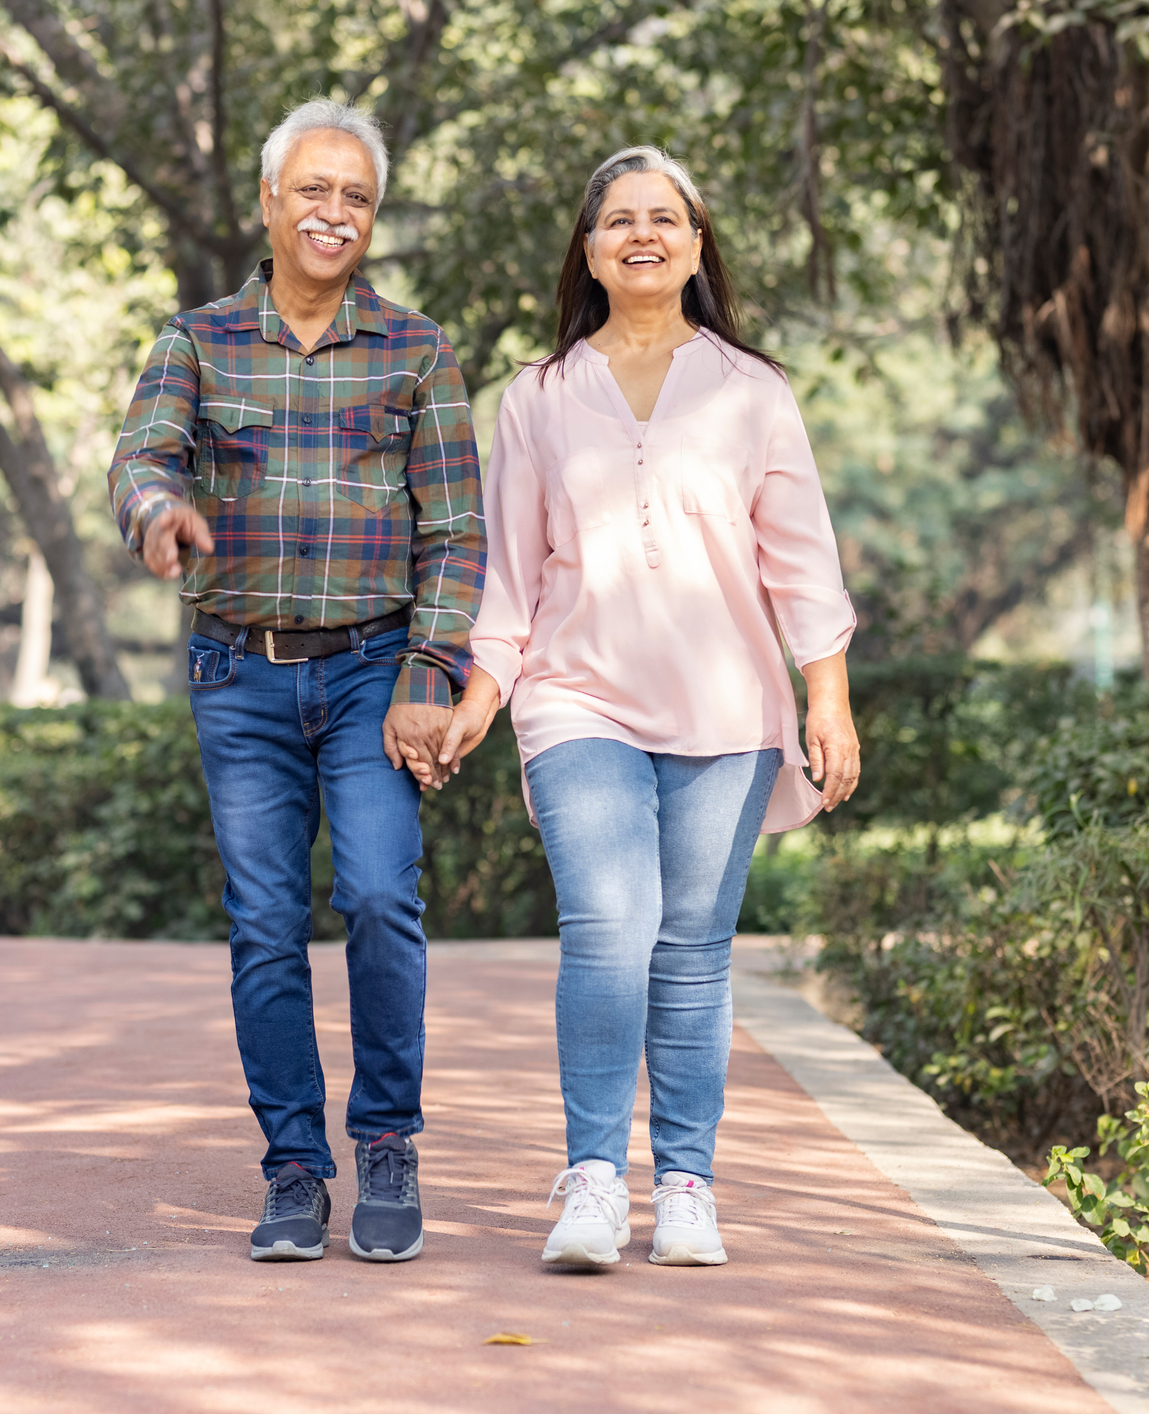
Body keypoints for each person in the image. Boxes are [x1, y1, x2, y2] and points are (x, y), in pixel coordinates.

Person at [425, 146, 860, 1268]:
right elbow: (509, 574)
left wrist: (827, 696)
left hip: (725, 708)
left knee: (691, 950)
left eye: (663, 218)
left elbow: (799, 561)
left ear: (696, 244)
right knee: (609, 932)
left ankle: (685, 1183)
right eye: (617, 219)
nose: (641, 234)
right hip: (578, 699)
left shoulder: (753, 390)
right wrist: (479, 695)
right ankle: (589, 1180)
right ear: (588, 251)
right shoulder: (534, 398)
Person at [107, 100, 485, 1264]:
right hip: (239, 674)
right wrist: (158, 513)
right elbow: (139, 457)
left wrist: (430, 669)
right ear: (268, 203)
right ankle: (291, 1167)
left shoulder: (415, 350)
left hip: (376, 669)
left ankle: (384, 1141)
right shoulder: (197, 341)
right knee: (266, 924)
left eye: (355, 198)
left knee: (377, 897)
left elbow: (459, 529)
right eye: (313, 192)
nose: (334, 215)